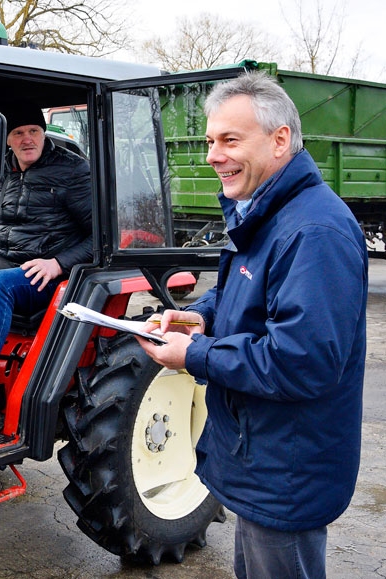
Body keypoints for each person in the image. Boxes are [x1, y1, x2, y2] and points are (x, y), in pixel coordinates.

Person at [136, 72, 367, 578]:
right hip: (258, 455)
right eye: (210, 141)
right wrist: (201, 315)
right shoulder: (267, 214)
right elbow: (246, 291)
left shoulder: (315, 231)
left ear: (280, 139)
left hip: (287, 468)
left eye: (230, 140)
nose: (213, 155)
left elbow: (299, 362)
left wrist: (191, 355)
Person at [0, 103, 93, 414]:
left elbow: (101, 238)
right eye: (18, 133)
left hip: (41, 277)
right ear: (6, 139)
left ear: (43, 132)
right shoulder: (2, 172)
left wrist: (58, 263)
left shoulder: (72, 170)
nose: (27, 139)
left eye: (34, 131)